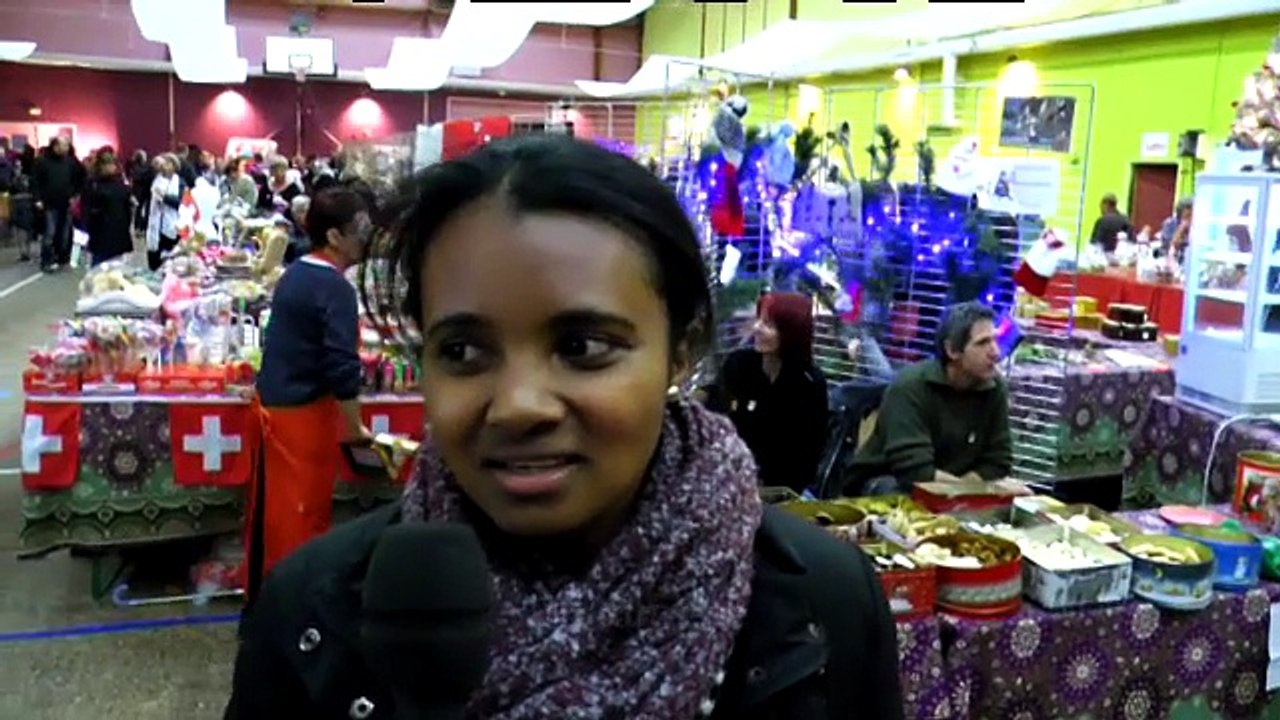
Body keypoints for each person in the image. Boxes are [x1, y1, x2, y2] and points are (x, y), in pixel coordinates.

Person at [224, 136, 903, 720]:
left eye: (582, 347)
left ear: (683, 347)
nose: (520, 406)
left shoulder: (823, 608)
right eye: (462, 351)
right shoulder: (312, 617)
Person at [241, 187, 372, 602]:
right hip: (299, 419)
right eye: (361, 229)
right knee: (299, 516)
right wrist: (354, 427)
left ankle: (273, 597)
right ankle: (291, 606)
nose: (367, 237)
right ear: (335, 237)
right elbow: (341, 365)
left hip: (278, 411)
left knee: (277, 515)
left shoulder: (296, 272)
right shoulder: (335, 288)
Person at [845, 301, 1013, 496]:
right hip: (887, 484)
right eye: (983, 343)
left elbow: (998, 461)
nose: (996, 353)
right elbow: (916, 472)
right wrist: (967, 493)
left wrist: (962, 494)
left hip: (951, 486)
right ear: (952, 350)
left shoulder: (993, 387)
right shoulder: (911, 387)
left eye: (995, 340)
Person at [707, 291, 829, 493]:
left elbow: (807, 455)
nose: (756, 328)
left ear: (790, 333)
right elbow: (715, 423)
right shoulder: (738, 365)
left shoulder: (810, 384)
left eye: (768, 324)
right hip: (727, 480)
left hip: (781, 491)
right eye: (759, 320)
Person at [32, 136, 83, 272]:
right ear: (55, 146)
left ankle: (63, 258)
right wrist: (37, 199)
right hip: (48, 203)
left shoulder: (71, 162)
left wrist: (75, 194)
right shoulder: (42, 161)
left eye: (67, 145)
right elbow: (35, 182)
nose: (67, 148)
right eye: (64, 145)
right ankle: (46, 261)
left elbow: (81, 177)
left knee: (65, 233)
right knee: (50, 233)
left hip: (66, 203)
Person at [81, 152, 133, 265]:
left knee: (117, 267)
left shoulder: (120, 183)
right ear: (100, 166)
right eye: (107, 164)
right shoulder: (92, 184)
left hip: (119, 230)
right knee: (99, 267)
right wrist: (87, 228)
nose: (111, 167)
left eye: (112, 164)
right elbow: (86, 208)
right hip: (100, 230)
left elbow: (127, 207)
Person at [146, 153, 185, 271]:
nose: (165, 166)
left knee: (169, 261)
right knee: (154, 260)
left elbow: (182, 204)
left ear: (174, 166)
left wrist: (165, 197)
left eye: (168, 163)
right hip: (155, 225)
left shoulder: (180, 182)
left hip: (171, 227)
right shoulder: (157, 179)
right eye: (164, 163)